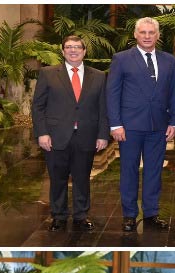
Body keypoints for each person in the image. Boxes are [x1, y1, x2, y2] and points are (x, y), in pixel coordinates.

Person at [107, 17, 175, 232]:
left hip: (159, 126)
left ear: (157, 36)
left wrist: (174, 122)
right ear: (135, 35)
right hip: (129, 127)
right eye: (143, 32)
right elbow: (112, 93)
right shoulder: (121, 59)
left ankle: (151, 214)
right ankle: (129, 215)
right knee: (128, 171)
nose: (147, 36)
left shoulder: (169, 60)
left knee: (154, 171)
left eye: (151, 33)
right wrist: (115, 124)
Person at [31, 35, 108, 232]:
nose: (73, 50)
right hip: (55, 136)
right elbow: (38, 106)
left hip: (86, 135)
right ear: (63, 50)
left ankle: (81, 216)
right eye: (69, 47)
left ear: (84, 51)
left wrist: (102, 135)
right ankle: (59, 216)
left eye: (77, 47)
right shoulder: (48, 74)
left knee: (82, 178)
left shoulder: (98, 76)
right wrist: (42, 133)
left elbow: (103, 108)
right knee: (57, 178)